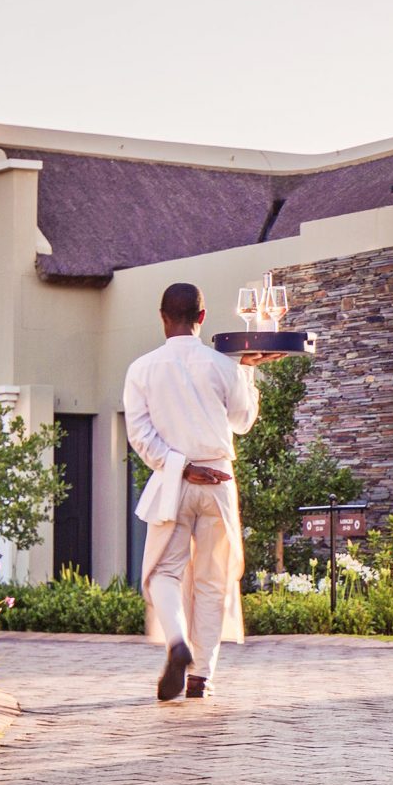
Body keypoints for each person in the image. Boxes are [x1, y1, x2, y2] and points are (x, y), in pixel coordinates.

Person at [123, 282, 274, 701]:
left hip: (175, 480)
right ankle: (199, 678)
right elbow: (243, 421)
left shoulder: (141, 369)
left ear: (162, 317)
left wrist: (180, 467)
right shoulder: (222, 365)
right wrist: (246, 370)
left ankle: (176, 643)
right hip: (219, 480)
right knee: (212, 580)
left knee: (162, 573)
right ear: (202, 318)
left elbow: (140, 435)